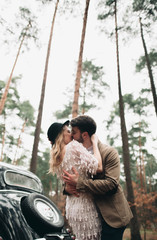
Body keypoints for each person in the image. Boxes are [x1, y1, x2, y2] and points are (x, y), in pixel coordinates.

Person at [63, 115, 133, 240]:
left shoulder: (109, 153)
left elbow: (111, 184)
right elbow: (69, 178)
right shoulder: (75, 153)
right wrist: (66, 189)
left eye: (74, 132)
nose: (71, 136)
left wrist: (79, 182)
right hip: (90, 218)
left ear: (84, 135)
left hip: (112, 217)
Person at [47, 120, 103, 240]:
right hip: (85, 207)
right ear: (61, 135)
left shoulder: (56, 159)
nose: (71, 134)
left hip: (71, 207)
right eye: (68, 131)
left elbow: (67, 184)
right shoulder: (73, 146)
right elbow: (98, 167)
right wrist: (95, 143)